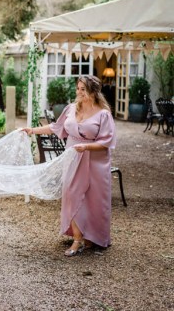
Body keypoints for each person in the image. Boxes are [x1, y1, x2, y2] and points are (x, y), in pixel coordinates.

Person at [23, 75, 116, 256]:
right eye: (78, 88)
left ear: (93, 92)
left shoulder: (103, 114)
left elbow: (107, 141)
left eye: (83, 89)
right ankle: (77, 238)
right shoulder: (70, 109)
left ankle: (93, 236)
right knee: (71, 193)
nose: (79, 92)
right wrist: (32, 130)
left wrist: (86, 146)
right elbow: (56, 128)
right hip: (73, 158)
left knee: (94, 199)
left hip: (95, 161)